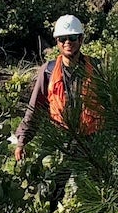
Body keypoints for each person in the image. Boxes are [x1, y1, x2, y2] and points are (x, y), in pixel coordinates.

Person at [14, 15, 103, 160]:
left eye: (72, 37)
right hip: (60, 142)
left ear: (81, 39)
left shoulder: (97, 68)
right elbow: (35, 107)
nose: (67, 42)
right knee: (56, 181)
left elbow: (112, 108)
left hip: (93, 142)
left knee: (97, 182)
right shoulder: (48, 71)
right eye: (62, 39)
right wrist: (22, 141)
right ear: (57, 42)